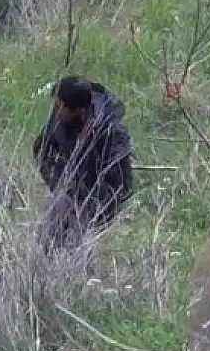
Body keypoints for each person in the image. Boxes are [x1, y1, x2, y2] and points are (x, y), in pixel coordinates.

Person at [32, 76, 134, 252]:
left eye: (59, 105)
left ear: (76, 111)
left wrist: (95, 211)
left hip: (99, 203)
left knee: (76, 246)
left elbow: (123, 187)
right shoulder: (60, 120)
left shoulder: (111, 134)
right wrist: (59, 185)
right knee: (47, 238)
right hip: (69, 192)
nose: (54, 110)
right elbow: (42, 152)